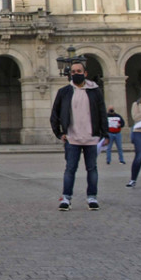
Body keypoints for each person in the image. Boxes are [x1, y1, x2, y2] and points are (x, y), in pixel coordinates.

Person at [49, 60, 107, 211]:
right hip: (72, 138)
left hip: (91, 137)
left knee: (92, 169)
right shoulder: (64, 92)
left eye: (79, 71)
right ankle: (66, 198)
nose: (76, 74)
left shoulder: (95, 91)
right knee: (70, 169)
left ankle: (92, 197)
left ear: (85, 73)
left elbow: (102, 113)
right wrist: (59, 133)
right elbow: (55, 114)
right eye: (73, 72)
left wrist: (104, 133)